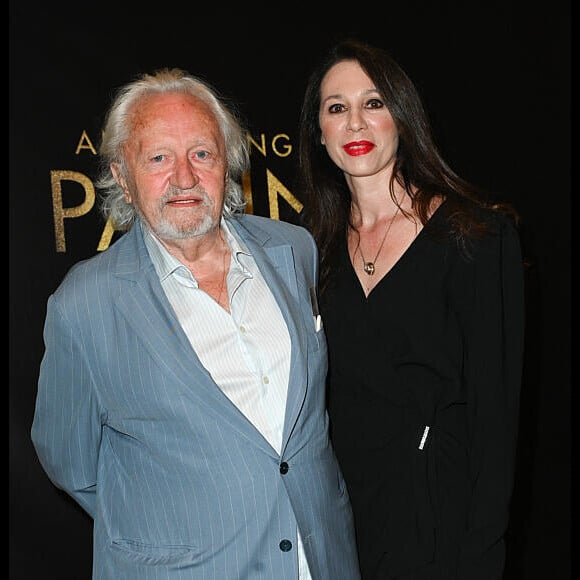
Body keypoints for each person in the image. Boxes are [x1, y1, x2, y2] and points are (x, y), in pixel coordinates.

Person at [31, 67, 361, 580]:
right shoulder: (85, 304)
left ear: (226, 163)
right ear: (122, 174)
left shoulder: (292, 250)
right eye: (159, 157)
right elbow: (71, 465)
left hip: (320, 560)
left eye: (202, 154)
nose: (184, 177)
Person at [297, 39, 525, 580]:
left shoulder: (475, 237)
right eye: (337, 108)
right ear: (319, 131)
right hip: (341, 520)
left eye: (373, 103)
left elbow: (497, 422)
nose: (355, 123)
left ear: (402, 115)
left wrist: (482, 556)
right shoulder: (307, 250)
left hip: (439, 520)